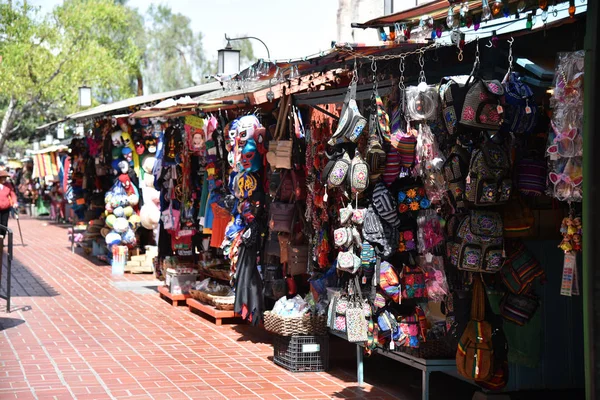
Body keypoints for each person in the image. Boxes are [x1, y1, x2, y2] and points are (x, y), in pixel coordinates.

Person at [0, 170, 18, 238]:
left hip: (6, 208)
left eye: (5, 177)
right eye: (3, 177)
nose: (4, 179)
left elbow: (12, 194)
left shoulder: (8, 185)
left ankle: (2, 238)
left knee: (4, 224)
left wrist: (15, 202)